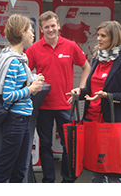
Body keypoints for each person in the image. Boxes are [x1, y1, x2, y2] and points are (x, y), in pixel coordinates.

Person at [67, 21, 121, 183]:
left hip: (112, 124)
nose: (98, 39)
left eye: (103, 36)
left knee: (113, 173)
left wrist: (106, 95)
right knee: (96, 171)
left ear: (114, 38)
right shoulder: (97, 59)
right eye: (98, 35)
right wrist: (80, 91)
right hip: (92, 122)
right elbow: (91, 90)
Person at [25, 11, 91, 183]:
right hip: (43, 105)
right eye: (46, 27)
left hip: (65, 105)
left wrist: (81, 89)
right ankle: (48, 181)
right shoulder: (33, 49)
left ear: (59, 25)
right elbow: (25, 74)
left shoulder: (70, 45)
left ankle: (67, 181)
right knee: (45, 145)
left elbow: (86, 67)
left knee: (69, 146)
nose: (50, 29)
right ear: (41, 29)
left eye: (53, 25)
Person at [0, 14, 44, 183]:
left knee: (19, 170)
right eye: (30, 30)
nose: (33, 34)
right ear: (21, 32)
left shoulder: (18, 59)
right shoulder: (13, 61)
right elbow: (7, 96)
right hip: (15, 120)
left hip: (22, 120)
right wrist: (31, 88)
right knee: (4, 170)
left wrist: (32, 80)